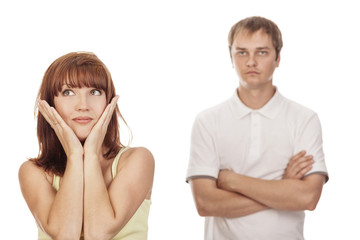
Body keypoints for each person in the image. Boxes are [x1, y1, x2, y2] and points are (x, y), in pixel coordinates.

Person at [186, 16, 328, 240]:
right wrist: (284, 189)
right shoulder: (207, 121)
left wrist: (232, 181)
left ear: (278, 57)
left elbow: (308, 198)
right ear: (231, 57)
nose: (251, 61)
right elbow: (205, 203)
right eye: (242, 52)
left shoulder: (304, 119)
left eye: (262, 52)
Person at [19, 52, 155, 240]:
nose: (83, 105)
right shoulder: (34, 172)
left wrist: (90, 154)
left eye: (95, 92)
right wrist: (75, 156)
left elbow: (99, 234)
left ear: (109, 101)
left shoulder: (137, 160)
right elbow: (64, 236)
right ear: (50, 104)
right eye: (68, 92)